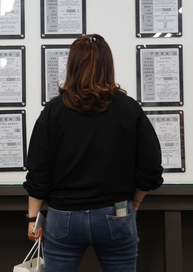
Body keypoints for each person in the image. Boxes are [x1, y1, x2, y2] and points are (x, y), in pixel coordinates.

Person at [23, 34, 164, 272]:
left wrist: (32, 219)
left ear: (72, 65)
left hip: (63, 217)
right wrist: (136, 201)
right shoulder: (129, 109)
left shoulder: (53, 111)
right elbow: (151, 167)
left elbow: (38, 169)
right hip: (116, 213)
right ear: (109, 66)